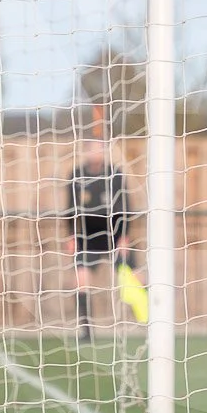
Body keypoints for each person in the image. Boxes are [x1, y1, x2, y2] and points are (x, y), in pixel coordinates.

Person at [66, 138, 132, 344]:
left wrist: (124, 236)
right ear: (85, 152)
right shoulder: (76, 175)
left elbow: (125, 206)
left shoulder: (116, 174)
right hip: (87, 237)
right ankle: (86, 330)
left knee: (135, 278)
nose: (97, 153)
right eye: (92, 149)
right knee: (81, 280)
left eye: (100, 149)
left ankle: (150, 319)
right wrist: (71, 236)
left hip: (113, 235)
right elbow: (70, 209)